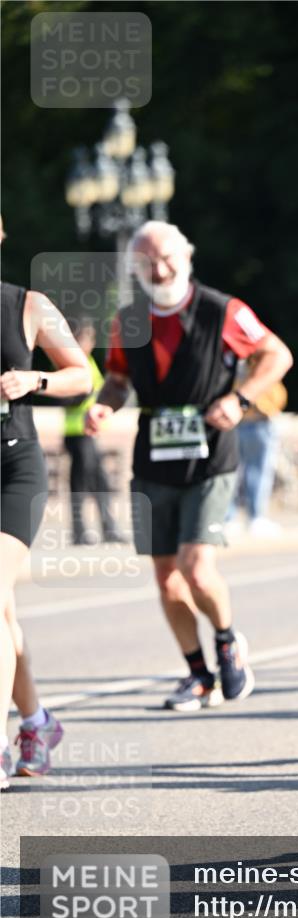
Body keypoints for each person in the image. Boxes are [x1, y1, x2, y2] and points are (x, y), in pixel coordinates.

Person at [86, 221, 293, 712]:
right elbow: (117, 379)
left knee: (196, 568)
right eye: (146, 262)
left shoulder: (224, 309)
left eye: (167, 258)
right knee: (165, 578)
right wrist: (104, 405)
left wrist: (239, 398)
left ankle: (227, 642)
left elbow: (276, 354)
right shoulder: (128, 319)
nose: (158, 269)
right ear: (135, 268)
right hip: (153, 459)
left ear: (187, 256)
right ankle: (197, 675)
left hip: (211, 457)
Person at [1, 220, 92, 789]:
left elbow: (81, 373)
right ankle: (37, 721)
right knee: (2, 612)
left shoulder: (27, 305)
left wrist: (33, 380)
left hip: (13, 469)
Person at [63, 322, 124, 544]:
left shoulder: (86, 363)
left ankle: (109, 528)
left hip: (90, 435)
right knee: (80, 485)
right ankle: (79, 531)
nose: (89, 344)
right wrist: (89, 392)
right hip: (77, 433)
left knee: (101, 482)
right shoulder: (68, 364)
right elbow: (65, 397)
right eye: (85, 340)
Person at [225, 355, 288, 539]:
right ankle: (255, 517)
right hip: (257, 421)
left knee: (233, 472)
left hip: (237, 421)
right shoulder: (265, 362)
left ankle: (231, 518)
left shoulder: (231, 361)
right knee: (258, 471)